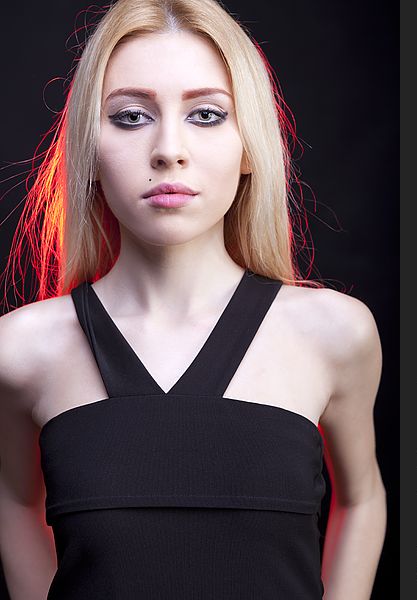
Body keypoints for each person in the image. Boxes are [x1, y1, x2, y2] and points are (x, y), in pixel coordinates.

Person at [0, 0, 387, 598]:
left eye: (207, 114)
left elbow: (362, 500)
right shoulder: (22, 349)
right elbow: (15, 503)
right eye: (130, 117)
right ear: (89, 151)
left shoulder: (334, 334)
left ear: (250, 145)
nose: (168, 149)